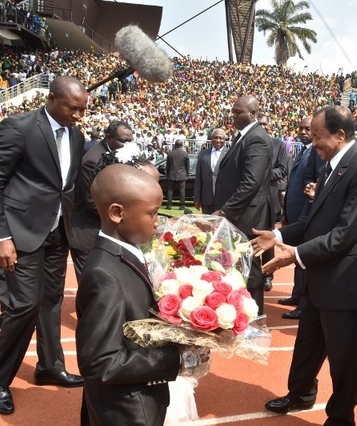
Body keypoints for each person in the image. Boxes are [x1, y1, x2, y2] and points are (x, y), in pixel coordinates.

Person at [251, 105, 357, 426]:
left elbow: (347, 231)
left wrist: (294, 255)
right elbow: (313, 221)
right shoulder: (330, 166)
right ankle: (300, 393)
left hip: (346, 280)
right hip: (322, 275)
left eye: (317, 137)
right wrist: (278, 234)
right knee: (308, 343)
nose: (313, 144)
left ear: (340, 135)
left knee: (343, 357)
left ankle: (341, 418)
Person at [75, 164, 209, 426]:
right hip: (127, 411)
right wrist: (178, 357)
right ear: (117, 213)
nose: (158, 221)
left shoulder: (129, 252)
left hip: (139, 400)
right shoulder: (104, 275)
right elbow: (100, 362)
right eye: (152, 213)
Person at [0, 76, 88, 415]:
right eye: (72, 108)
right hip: (20, 233)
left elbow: (67, 187)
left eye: (82, 110)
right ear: (51, 99)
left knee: (51, 300)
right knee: (23, 304)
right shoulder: (18, 128)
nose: (78, 115)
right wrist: (3, 237)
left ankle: (49, 366)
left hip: (57, 232)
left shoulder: (77, 136)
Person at [213, 95, 272, 316]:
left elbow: (251, 182)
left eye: (238, 112)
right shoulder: (244, 137)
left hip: (247, 218)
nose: (234, 116)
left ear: (253, 113)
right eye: (234, 111)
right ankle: (241, 314)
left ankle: (253, 317)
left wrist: (226, 210)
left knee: (251, 272)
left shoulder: (256, 138)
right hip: (240, 216)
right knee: (238, 268)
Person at [69, 121, 133, 280]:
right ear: (109, 137)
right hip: (88, 233)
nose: (127, 145)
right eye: (123, 141)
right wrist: (125, 215)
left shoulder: (120, 155)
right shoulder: (93, 160)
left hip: (106, 234)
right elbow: (92, 202)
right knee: (90, 286)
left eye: (130, 141)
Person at [278, 116, 313, 319]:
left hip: (304, 216)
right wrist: (285, 212)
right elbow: (291, 186)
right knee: (296, 258)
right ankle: (296, 294)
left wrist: (301, 217)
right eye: (300, 128)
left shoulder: (315, 154)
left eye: (307, 128)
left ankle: (303, 303)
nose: (302, 132)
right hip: (293, 214)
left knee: (303, 259)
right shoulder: (301, 152)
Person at [257, 113, 290, 292]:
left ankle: (267, 275)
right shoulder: (249, 144)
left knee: (268, 238)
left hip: (269, 200)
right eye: (259, 124)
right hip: (249, 201)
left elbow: (282, 170)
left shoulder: (278, 145)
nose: (262, 126)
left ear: (269, 127)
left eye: (264, 124)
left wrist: (259, 177)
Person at [194, 128, 227, 214]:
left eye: (221, 138)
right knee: (207, 225)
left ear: (225, 140)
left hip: (224, 199)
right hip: (206, 198)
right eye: (215, 138)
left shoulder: (230, 154)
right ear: (211, 139)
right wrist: (197, 198)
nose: (218, 140)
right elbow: (198, 177)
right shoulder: (203, 154)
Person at [165, 139, 190, 211]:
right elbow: (187, 166)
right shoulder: (185, 154)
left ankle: (169, 205)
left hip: (172, 174)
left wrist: (168, 174)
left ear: (175, 145)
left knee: (170, 190)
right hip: (182, 174)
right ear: (182, 145)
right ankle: (182, 206)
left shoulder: (170, 153)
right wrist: (186, 175)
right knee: (182, 191)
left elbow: (167, 166)